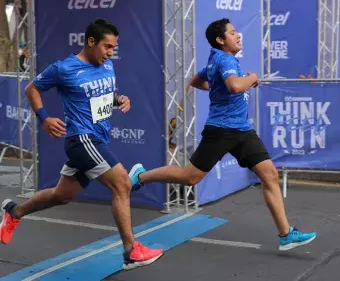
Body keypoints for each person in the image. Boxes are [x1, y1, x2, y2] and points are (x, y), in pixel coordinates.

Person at [129, 18, 317, 252]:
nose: (238, 36)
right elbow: (236, 86)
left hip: (242, 131)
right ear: (220, 40)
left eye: (237, 32)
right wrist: (252, 77)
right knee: (190, 177)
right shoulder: (224, 58)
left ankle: (286, 234)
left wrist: (217, 87)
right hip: (222, 130)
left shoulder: (218, 59)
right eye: (232, 33)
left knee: (269, 174)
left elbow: (197, 81)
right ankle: (141, 176)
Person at [0, 19, 163, 270]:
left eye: (113, 48)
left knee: (61, 195)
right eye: (107, 47)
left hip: (98, 138)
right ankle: (131, 250)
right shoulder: (64, 68)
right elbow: (31, 89)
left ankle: (14, 212)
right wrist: (45, 119)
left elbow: (105, 95)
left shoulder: (107, 67)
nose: (110, 53)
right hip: (82, 139)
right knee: (121, 184)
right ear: (90, 42)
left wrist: (119, 99)